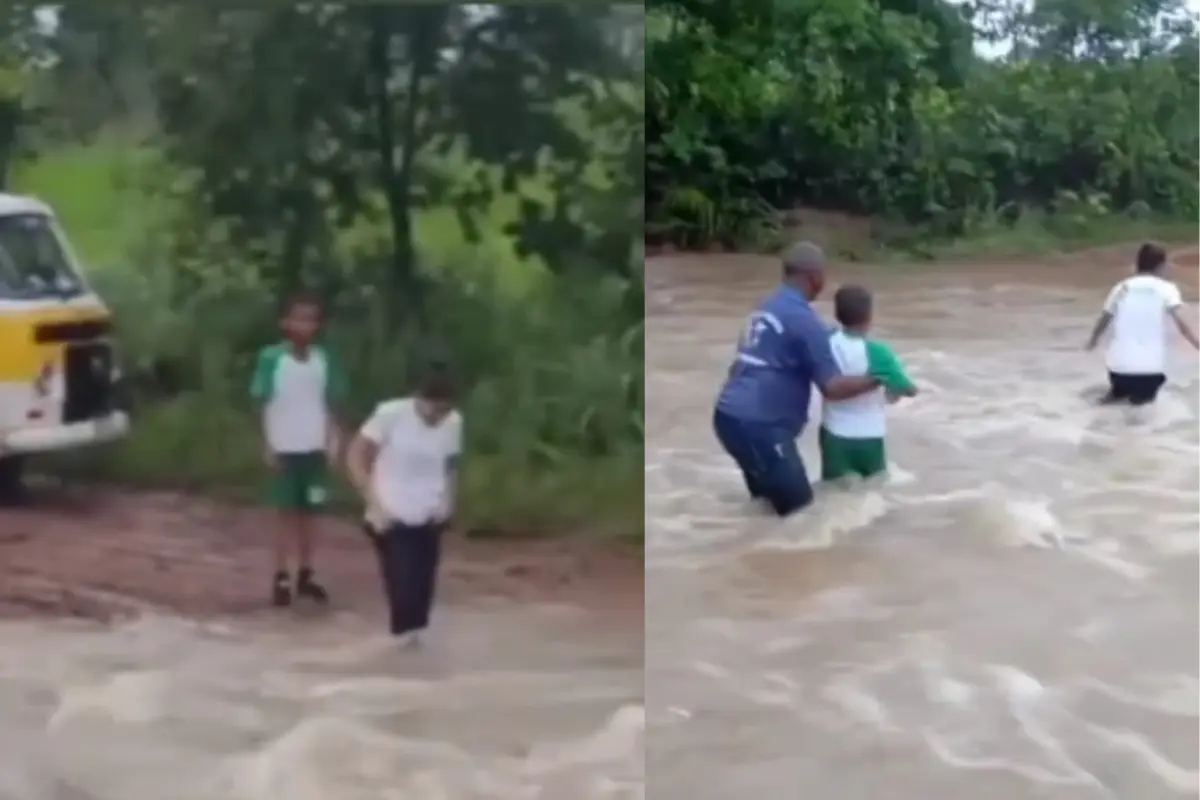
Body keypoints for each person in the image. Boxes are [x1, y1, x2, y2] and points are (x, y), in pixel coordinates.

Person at [712, 241, 883, 516]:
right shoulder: (804, 320)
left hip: (728, 417)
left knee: (766, 509)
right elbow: (833, 387)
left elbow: (741, 365)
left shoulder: (763, 308)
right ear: (814, 277)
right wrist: (878, 379)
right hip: (762, 427)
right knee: (800, 514)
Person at [344, 360, 463, 646]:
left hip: (430, 513)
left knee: (424, 586)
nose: (438, 417)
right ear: (418, 399)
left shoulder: (454, 421)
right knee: (403, 583)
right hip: (391, 514)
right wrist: (372, 503)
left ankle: (414, 646)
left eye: (444, 410)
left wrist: (449, 500)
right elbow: (355, 457)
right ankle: (400, 643)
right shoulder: (390, 414)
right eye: (433, 410)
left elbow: (450, 465)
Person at [250, 290, 347, 607]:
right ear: (285, 322)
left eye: (311, 320)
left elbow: (331, 402)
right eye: (299, 318)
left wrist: (335, 439)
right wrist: (267, 443)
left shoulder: (323, 359)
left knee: (312, 513)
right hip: (285, 446)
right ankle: (280, 574)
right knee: (285, 512)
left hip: (314, 446)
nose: (305, 326)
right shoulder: (272, 358)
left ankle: (307, 571)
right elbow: (263, 401)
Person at [819, 284, 918, 482]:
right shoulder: (879, 353)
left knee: (835, 493)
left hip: (835, 436)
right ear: (869, 316)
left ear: (837, 314)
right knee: (874, 491)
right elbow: (909, 389)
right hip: (870, 437)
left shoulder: (824, 343)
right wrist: (890, 387)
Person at [1085, 242, 1199, 405]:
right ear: (1161, 265)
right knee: (1141, 412)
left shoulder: (1121, 287)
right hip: (1148, 371)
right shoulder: (1167, 288)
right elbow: (1183, 326)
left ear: (1137, 264)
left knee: (1115, 400)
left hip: (1118, 369)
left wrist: (1092, 342)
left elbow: (1104, 320)